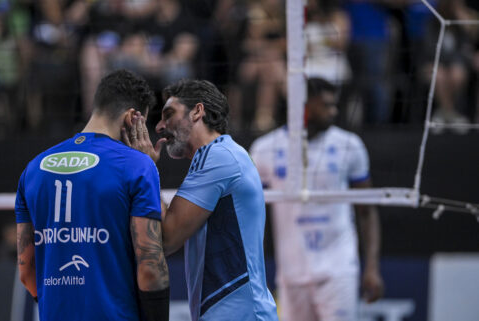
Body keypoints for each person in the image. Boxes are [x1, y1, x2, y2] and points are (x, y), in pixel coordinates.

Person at [15, 69, 169, 321]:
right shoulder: (137, 165)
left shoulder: (33, 168)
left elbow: (26, 271)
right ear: (132, 118)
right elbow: (150, 267)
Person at [123, 79, 278, 321]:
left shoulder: (218, 156)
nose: (161, 126)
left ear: (197, 111)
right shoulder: (217, 155)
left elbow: (167, 238)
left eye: (169, 114)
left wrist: (147, 168)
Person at [250, 77, 383, 321]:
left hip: (339, 269)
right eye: (326, 105)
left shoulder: (349, 145)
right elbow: (248, 213)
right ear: (304, 106)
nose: (334, 111)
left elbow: (367, 210)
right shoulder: (265, 149)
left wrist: (372, 266)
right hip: (291, 273)